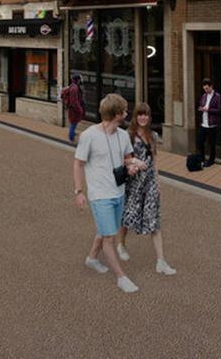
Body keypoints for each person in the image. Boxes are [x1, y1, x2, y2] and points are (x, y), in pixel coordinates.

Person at [73, 93, 145, 294]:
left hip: (119, 192)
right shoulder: (89, 136)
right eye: (124, 110)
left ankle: (91, 259)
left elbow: (127, 159)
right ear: (116, 114)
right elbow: (78, 164)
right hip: (100, 195)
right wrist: (79, 192)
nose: (127, 112)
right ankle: (122, 278)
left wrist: (134, 165)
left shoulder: (123, 136)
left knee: (107, 229)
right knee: (109, 237)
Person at [116, 103, 177, 275]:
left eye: (146, 115)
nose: (143, 118)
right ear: (135, 116)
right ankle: (121, 244)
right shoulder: (127, 136)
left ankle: (161, 262)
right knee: (128, 214)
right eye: (140, 114)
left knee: (154, 220)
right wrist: (134, 163)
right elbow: (122, 159)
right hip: (133, 182)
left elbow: (155, 161)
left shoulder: (153, 136)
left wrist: (157, 183)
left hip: (149, 182)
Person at [197, 79, 221, 167]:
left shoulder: (217, 96)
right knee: (200, 142)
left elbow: (219, 110)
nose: (206, 90)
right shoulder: (204, 96)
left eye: (207, 88)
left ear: (211, 86)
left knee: (212, 144)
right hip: (204, 123)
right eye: (204, 89)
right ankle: (202, 158)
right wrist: (201, 108)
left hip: (212, 124)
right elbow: (201, 105)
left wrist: (208, 110)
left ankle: (211, 160)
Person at [61, 76, 86, 144]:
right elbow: (74, 102)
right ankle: (71, 138)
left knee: (73, 122)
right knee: (73, 123)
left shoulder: (73, 85)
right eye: (80, 79)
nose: (81, 80)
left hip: (73, 109)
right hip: (74, 110)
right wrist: (80, 109)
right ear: (77, 80)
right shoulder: (74, 88)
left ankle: (72, 133)